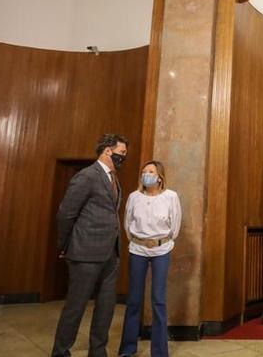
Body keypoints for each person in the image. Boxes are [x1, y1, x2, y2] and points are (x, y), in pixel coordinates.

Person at [51, 133, 128, 357]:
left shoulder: (113, 178)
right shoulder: (86, 176)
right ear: (107, 151)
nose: (124, 157)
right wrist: (63, 245)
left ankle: (97, 352)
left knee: (105, 307)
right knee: (76, 307)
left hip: (111, 254)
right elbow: (66, 214)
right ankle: (60, 351)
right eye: (122, 153)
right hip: (85, 252)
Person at [119, 161, 182, 357]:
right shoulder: (134, 197)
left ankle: (159, 352)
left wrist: (159, 242)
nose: (147, 174)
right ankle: (128, 349)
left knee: (158, 299)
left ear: (160, 177)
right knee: (134, 300)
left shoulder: (171, 197)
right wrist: (140, 241)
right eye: (144, 171)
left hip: (161, 250)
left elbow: (175, 226)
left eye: (151, 171)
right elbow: (127, 224)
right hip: (137, 249)